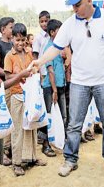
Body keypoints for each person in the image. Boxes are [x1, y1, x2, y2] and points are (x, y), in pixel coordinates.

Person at [30, 0, 104, 179]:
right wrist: (39, 61)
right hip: (79, 83)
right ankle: (70, 159)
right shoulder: (69, 24)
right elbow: (56, 48)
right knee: (74, 124)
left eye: (77, 5)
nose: (74, 9)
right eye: (72, 5)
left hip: (103, 81)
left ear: (89, 1)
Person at [4, 23, 46, 176]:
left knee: (32, 127)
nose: (20, 43)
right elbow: (7, 78)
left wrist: (34, 72)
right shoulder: (9, 56)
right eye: (17, 40)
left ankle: (32, 157)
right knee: (18, 130)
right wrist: (21, 75)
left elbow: (35, 69)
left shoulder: (29, 53)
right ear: (12, 39)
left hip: (30, 95)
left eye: (23, 40)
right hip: (17, 95)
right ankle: (16, 162)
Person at [39, 19, 66, 157]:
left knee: (61, 115)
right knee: (48, 116)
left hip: (60, 86)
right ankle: (45, 145)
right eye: (59, 30)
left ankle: (59, 140)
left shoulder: (58, 48)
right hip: (51, 88)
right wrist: (54, 90)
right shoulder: (49, 48)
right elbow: (50, 71)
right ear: (52, 32)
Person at [0, 16, 15, 165]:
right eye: (11, 27)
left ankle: (13, 148)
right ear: (3, 29)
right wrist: (10, 74)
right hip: (6, 86)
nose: (12, 30)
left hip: (16, 85)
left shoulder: (14, 44)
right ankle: (5, 150)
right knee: (7, 117)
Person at [32, 11, 50, 78]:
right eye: (41, 22)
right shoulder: (38, 38)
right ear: (39, 22)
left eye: (46, 21)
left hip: (52, 70)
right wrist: (39, 73)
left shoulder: (52, 35)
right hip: (43, 71)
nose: (44, 24)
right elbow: (35, 56)